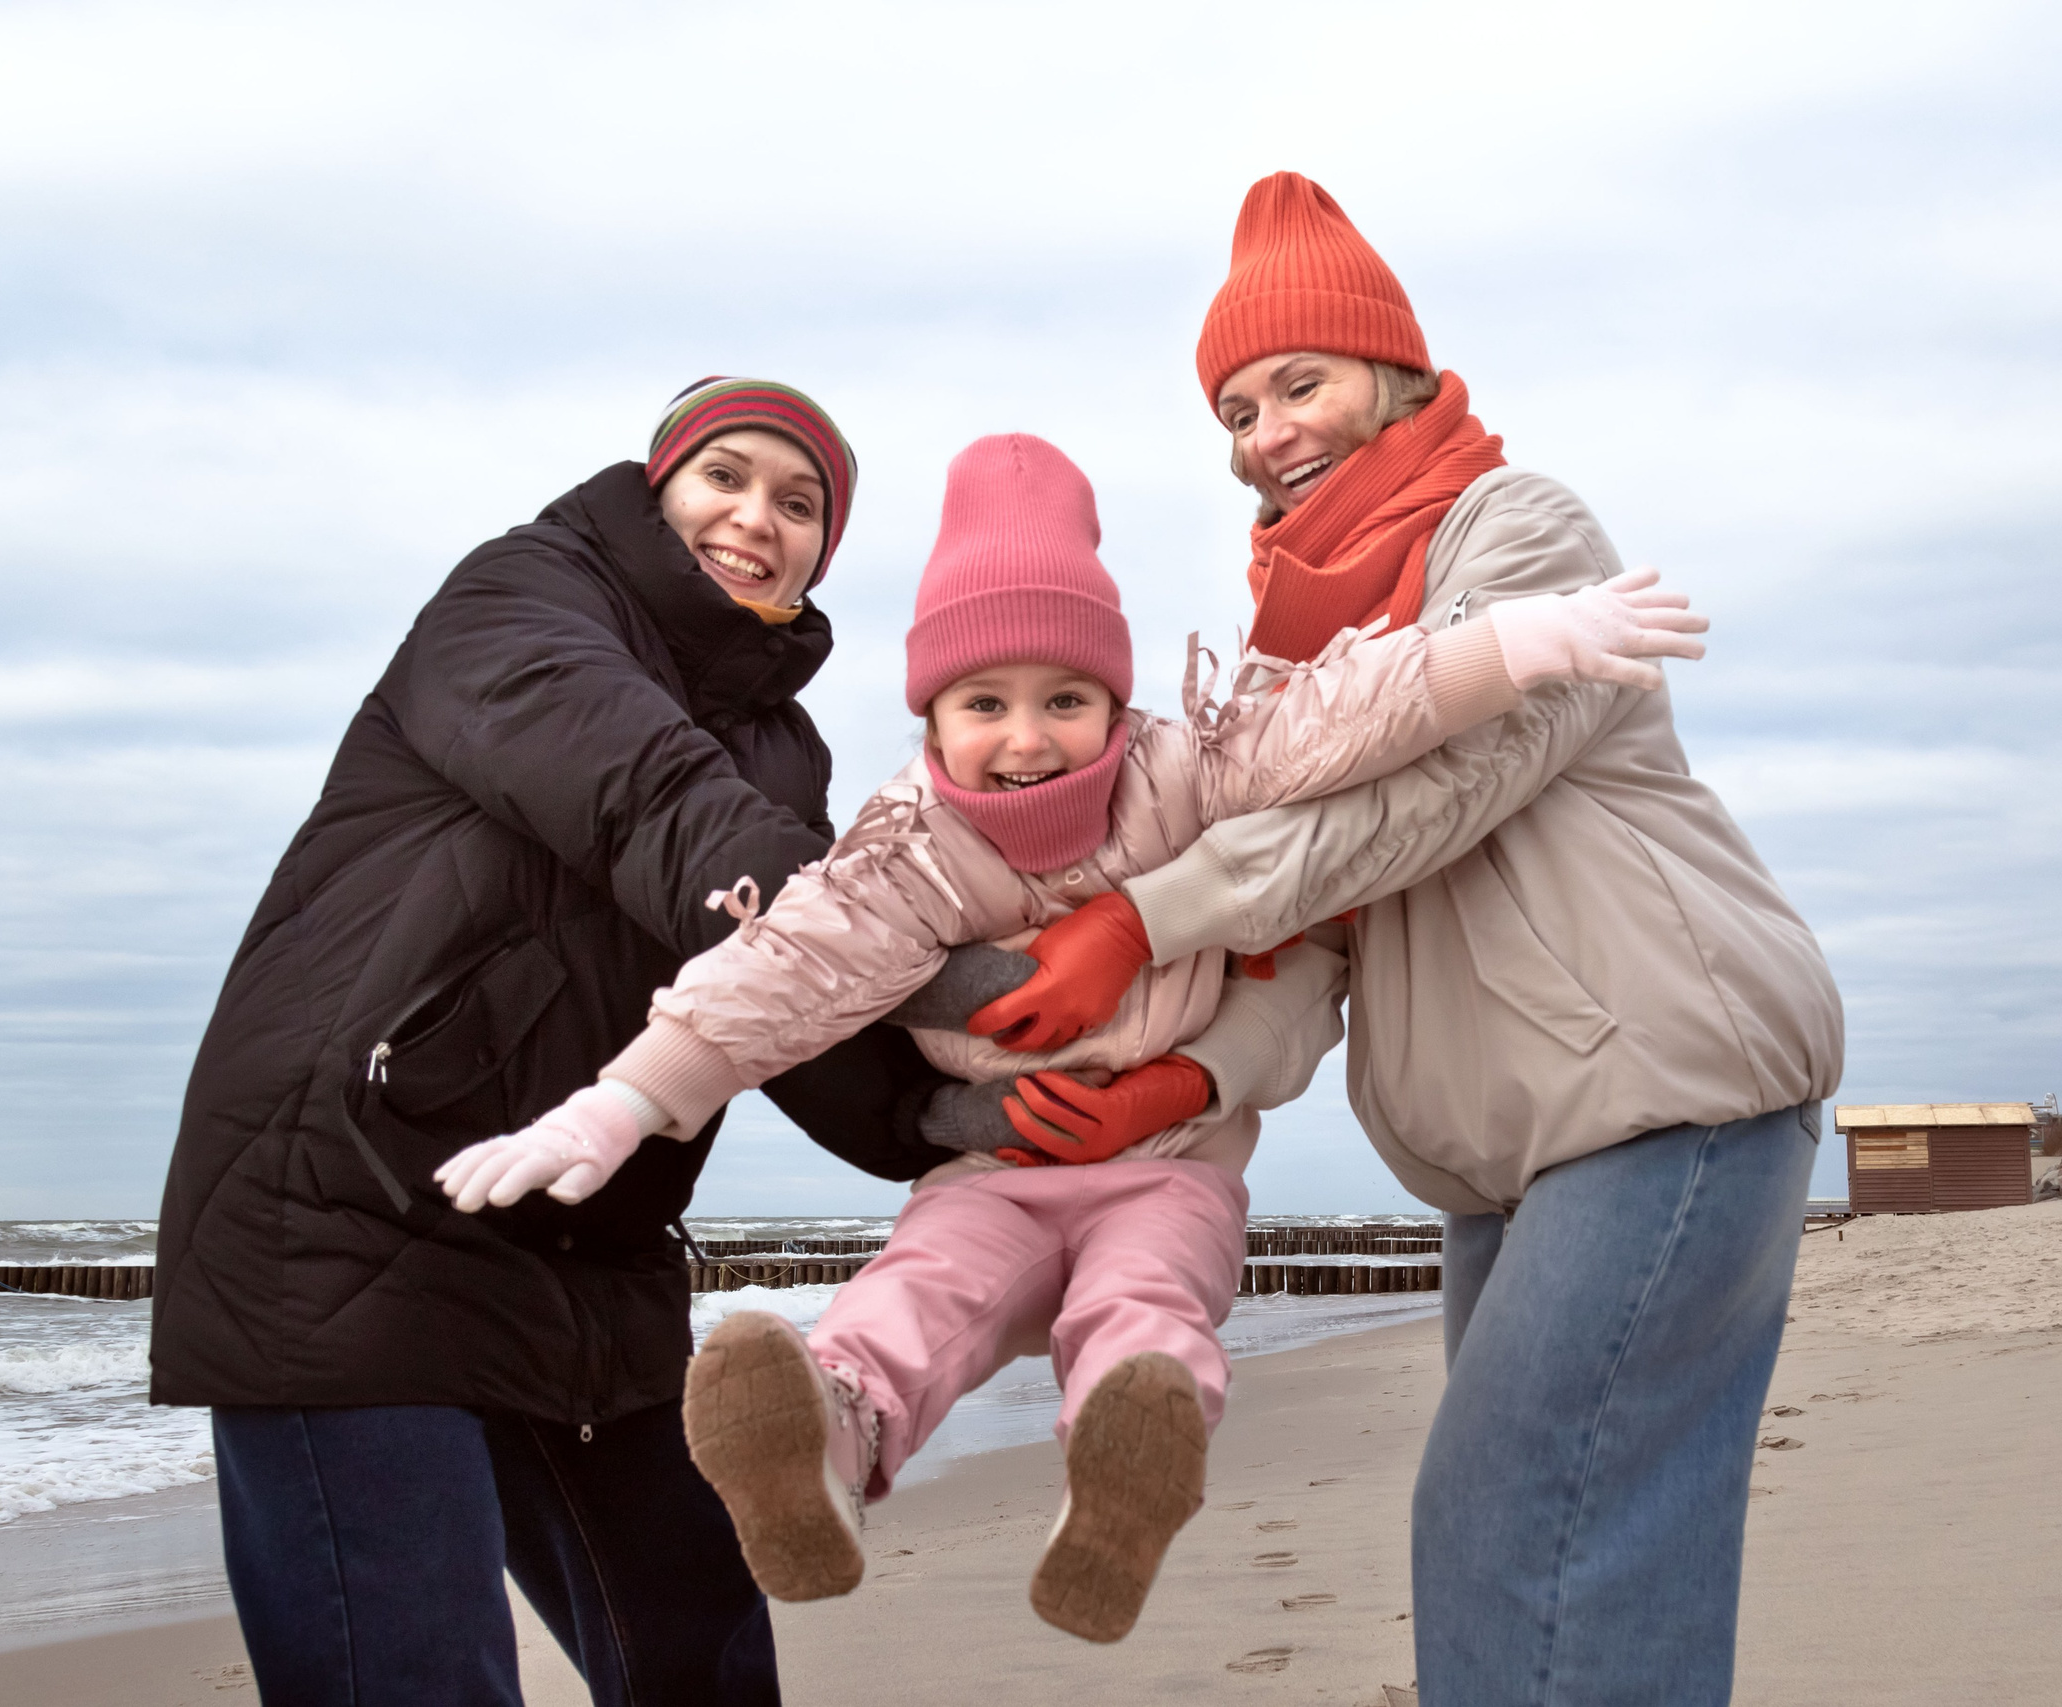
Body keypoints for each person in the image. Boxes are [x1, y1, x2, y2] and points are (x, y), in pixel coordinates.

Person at [435, 430, 1704, 1644]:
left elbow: (1344, 710)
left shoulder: (1188, 769)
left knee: (1147, 1300)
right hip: (994, 1173)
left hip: (1167, 1161)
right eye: (983, 702)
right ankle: (821, 1443)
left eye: (1066, 698)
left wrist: (1518, 641)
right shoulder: (908, 852)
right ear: (931, 719)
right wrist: (624, 1100)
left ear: (1118, 698)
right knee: (916, 1294)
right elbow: (784, 970)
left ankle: (1124, 1463)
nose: (1028, 738)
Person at [147, 381, 1278, 1706]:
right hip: (349, 1217)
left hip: (590, 1246)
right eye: (726, 478)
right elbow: (664, 816)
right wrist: (1018, 976)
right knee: (414, 1676)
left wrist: (968, 1116)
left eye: (802, 505)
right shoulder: (516, 602)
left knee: (707, 1658)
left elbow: (781, 1001)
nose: (760, 518)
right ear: (655, 484)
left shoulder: (778, 746)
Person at [967, 176, 1847, 1705]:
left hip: (1666, 1091)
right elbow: (1309, 941)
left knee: (1524, 1515)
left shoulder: (1522, 531)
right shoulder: (1291, 651)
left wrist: (1143, 911)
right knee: (1568, 1547)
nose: (1266, 431)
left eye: (1296, 383)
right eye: (1235, 408)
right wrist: (1180, 1089)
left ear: (1390, 368)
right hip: (1503, 1150)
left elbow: (1434, 795)